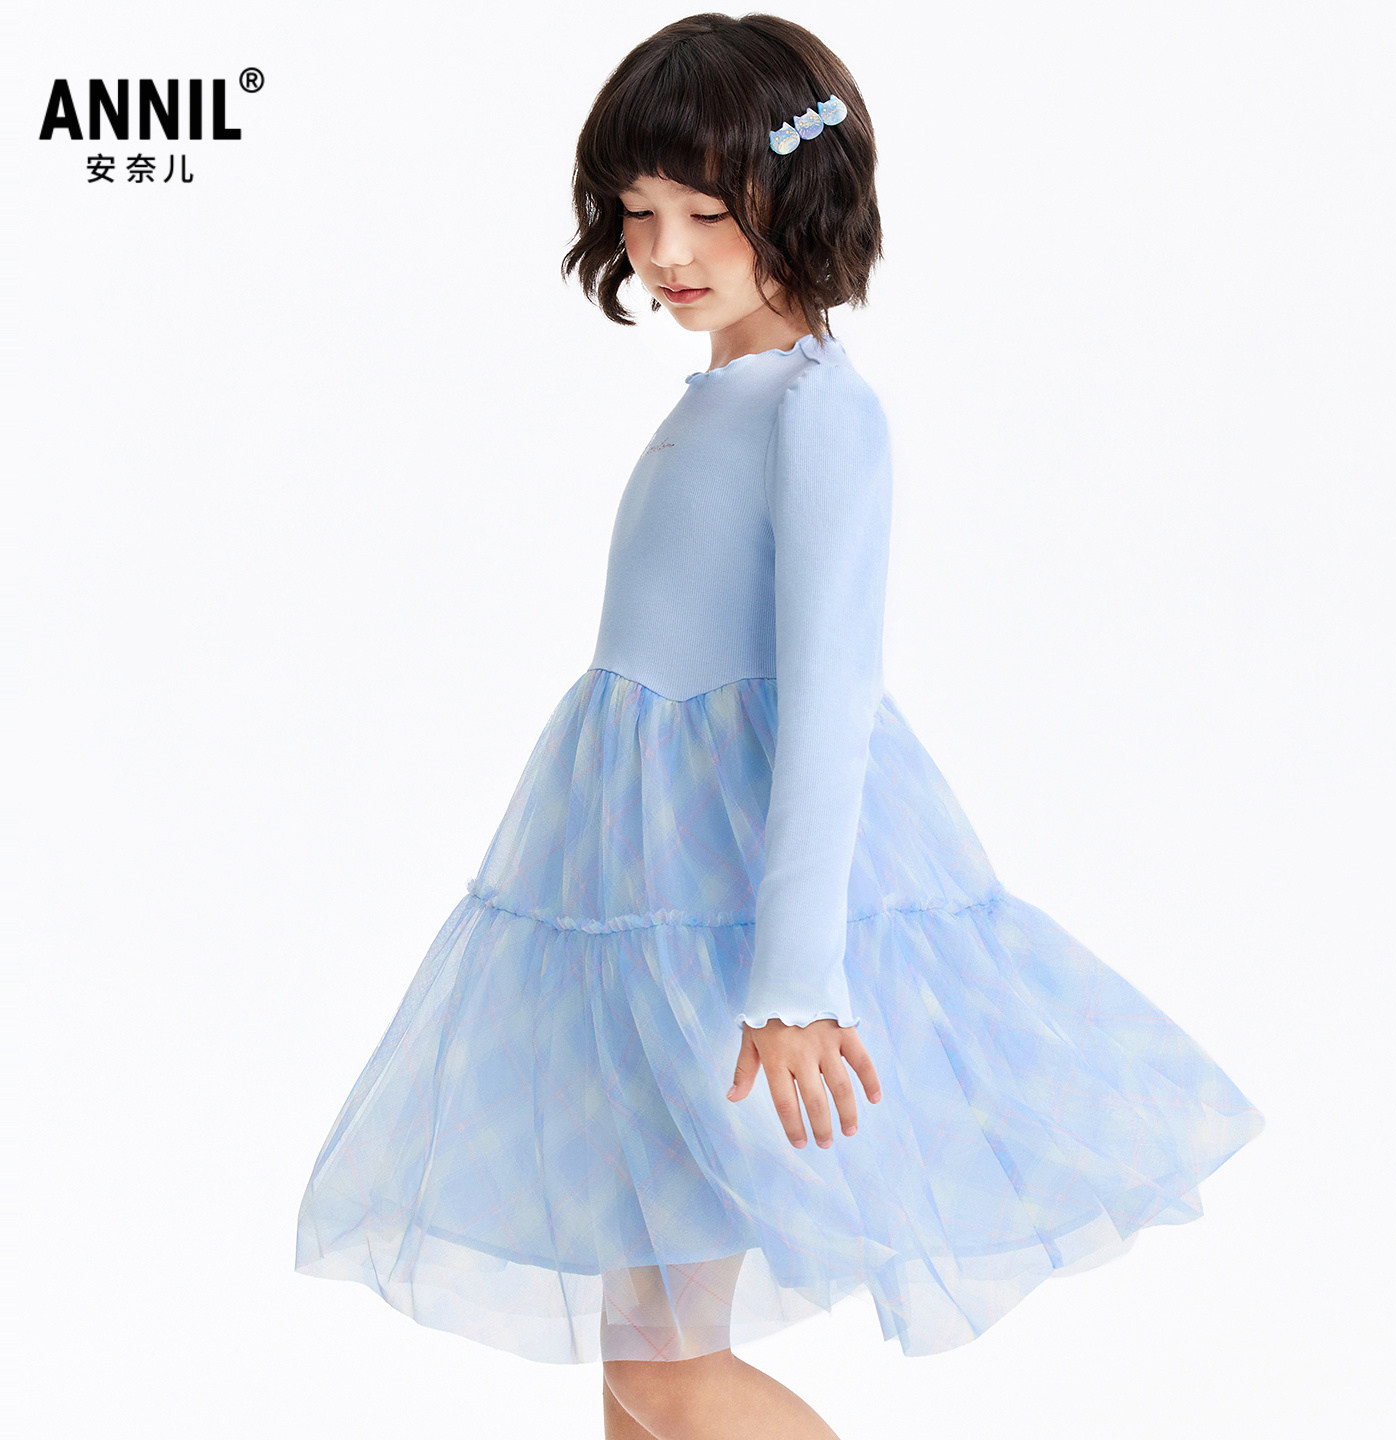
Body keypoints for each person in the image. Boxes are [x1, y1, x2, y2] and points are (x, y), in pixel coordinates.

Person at [295, 13, 1265, 1437]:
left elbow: (829, 698)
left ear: (795, 199)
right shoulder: (722, 400)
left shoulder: (819, 411)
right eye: (640, 213)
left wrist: (795, 979)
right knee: (639, 1358)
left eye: (707, 212)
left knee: (667, 1367)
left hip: (723, 917)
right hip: (627, 894)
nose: (666, 251)